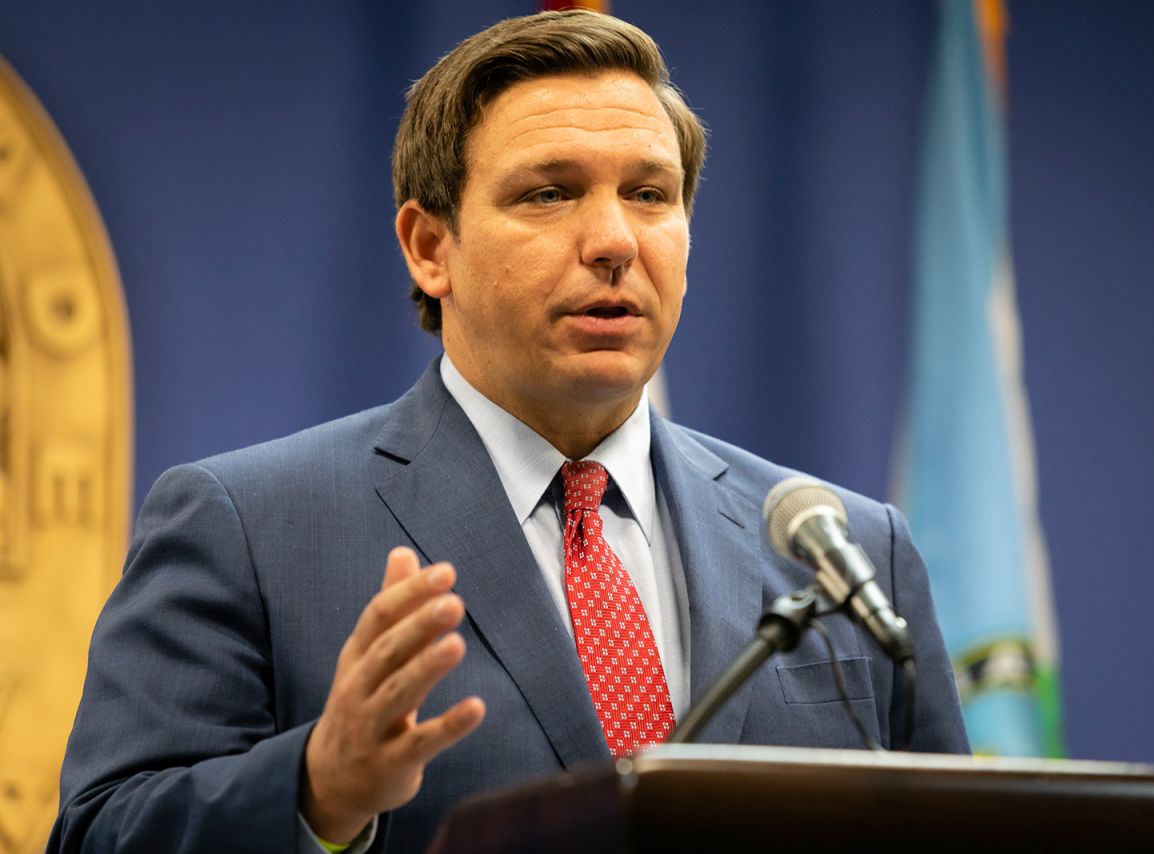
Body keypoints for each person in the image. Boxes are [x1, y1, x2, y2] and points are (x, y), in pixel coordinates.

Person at [51, 10, 968, 853]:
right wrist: (316, 789)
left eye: (650, 194)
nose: (615, 240)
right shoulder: (248, 528)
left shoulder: (846, 550)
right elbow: (99, 833)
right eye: (548, 194)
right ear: (428, 246)